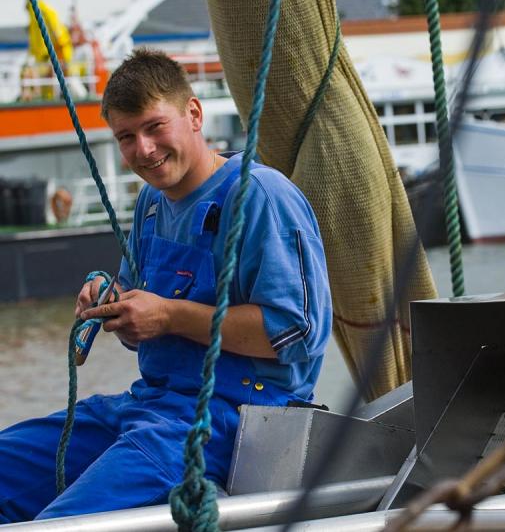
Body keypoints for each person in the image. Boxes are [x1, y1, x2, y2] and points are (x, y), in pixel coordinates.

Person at [0, 48, 332, 522]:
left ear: (193, 114)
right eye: (127, 137)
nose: (144, 150)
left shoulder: (262, 196)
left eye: (155, 127)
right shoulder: (152, 204)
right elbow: (143, 314)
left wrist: (168, 315)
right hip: (147, 406)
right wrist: (113, 303)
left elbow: (297, 333)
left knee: (61, 523)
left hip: (230, 421)